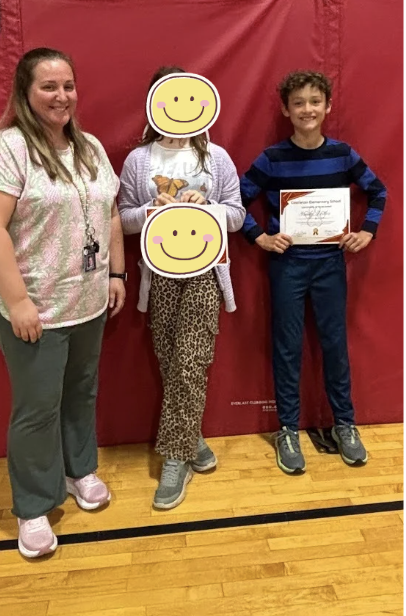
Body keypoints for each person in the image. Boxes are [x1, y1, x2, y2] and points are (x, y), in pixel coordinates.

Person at [0, 47, 125, 559]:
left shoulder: (91, 147)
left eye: (68, 86)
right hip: (32, 305)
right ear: (25, 93)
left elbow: (112, 213)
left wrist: (116, 273)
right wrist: (17, 303)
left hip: (88, 299)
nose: (62, 96)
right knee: (38, 408)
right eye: (49, 87)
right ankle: (33, 505)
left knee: (80, 391)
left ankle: (80, 470)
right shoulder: (6, 149)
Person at [239, 71, 388, 474]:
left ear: (328, 107)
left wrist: (367, 232)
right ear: (286, 110)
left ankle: (345, 424)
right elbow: (235, 201)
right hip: (286, 264)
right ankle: (287, 428)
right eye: (299, 103)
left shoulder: (342, 154)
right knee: (287, 347)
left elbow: (378, 191)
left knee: (334, 344)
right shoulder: (272, 158)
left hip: (329, 264)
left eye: (315, 101)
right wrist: (260, 238)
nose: (307, 109)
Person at [117, 66, 245, 510]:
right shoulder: (139, 161)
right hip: (160, 278)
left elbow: (237, 215)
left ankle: (175, 457)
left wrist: (207, 205)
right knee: (172, 361)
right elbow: (124, 219)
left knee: (192, 360)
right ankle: (192, 440)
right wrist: (150, 210)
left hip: (205, 275)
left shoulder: (217, 159)